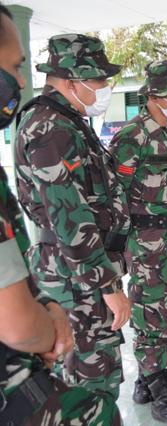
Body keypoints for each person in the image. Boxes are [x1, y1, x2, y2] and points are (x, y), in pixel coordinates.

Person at [0, 6, 121, 424]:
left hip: (78, 275)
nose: (105, 88)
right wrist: (108, 286)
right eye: (99, 80)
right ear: (72, 81)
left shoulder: (66, 120)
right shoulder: (51, 127)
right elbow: (70, 219)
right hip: (77, 280)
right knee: (93, 386)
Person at [110, 60, 167, 424]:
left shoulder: (164, 132)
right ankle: (161, 397)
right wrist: (121, 250)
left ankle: (146, 382)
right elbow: (115, 196)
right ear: (155, 95)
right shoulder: (133, 136)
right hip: (147, 243)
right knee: (152, 315)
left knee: (161, 309)